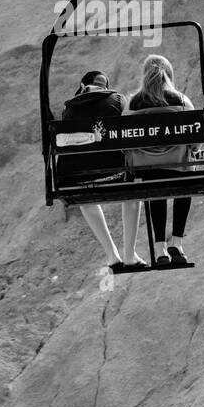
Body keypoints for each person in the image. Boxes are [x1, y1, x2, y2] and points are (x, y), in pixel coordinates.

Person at [60, 70, 145, 269]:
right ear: (105, 86)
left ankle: (112, 255)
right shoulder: (117, 100)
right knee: (132, 193)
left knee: (85, 199)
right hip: (117, 174)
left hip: (80, 179)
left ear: (82, 86)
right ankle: (130, 254)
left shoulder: (69, 110)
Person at [123, 54, 196, 267]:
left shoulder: (133, 103)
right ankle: (177, 242)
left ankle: (160, 249)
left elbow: (124, 140)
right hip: (178, 169)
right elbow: (195, 136)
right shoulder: (181, 100)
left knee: (156, 189)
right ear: (169, 75)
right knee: (186, 180)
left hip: (146, 171)